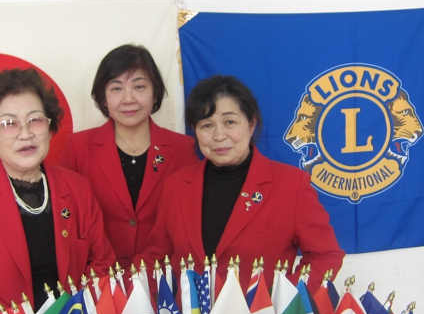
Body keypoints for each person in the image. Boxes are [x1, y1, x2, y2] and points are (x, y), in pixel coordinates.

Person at [0, 68, 116, 314]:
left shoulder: (78, 188)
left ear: (50, 128)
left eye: (35, 120)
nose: (25, 133)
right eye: (9, 124)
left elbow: (102, 264)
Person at [142, 75, 344, 292]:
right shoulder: (176, 186)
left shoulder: (291, 185)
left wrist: (283, 300)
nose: (219, 135)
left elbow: (325, 255)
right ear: (195, 130)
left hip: (262, 313)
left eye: (230, 122)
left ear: (251, 123)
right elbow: (156, 258)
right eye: (207, 125)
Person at [59, 45, 198, 268]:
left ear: (155, 93)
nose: (128, 99)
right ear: (103, 97)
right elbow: (67, 223)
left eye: (139, 86)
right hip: (98, 276)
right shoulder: (77, 147)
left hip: (163, 277)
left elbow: (188, 223)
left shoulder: (183, 148)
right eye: (116, 88)